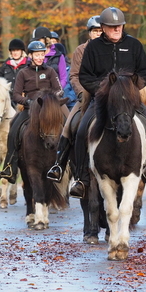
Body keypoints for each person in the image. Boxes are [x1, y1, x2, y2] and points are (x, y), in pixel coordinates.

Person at [69, 7, 146, 199]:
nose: (117, 29)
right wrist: (102, 90)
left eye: (119, 26)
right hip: (102, 100)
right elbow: (85, 76)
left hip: (129, 100)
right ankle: (81, 179)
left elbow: (145, 72)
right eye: (112, 27)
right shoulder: (93, 48)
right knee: (81, 128)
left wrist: (133, 87)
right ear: (103, 27)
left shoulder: (134, 45)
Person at [0, 40, 67, 184]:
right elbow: (15, 95)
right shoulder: (23, 73)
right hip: (29, 109)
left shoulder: (50, 71)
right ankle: (10, 167)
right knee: (14, 130)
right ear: (31, 56)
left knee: (66, 126)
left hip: (48, 109)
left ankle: (64, 164)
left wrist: (52, 99)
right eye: (37, 55)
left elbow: (59, 89)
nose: (40, 57)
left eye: (42, 55)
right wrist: (28, 102)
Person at [46, 15, 102, 182]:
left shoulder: (112, 49)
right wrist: (80, 93)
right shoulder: (80, 51)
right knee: (69, 126)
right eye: (95, 31)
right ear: (89, 33)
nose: (98, 34)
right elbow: (74, 76)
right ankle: (59, 165)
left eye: (100, 31)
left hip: (109, 96)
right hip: (86, 96)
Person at [0, 38, 28, 108]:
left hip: (24, 101)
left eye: (17, 50)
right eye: (13, 50)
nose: (15, 53)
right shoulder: (5, 65)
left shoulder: (28, 64)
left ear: (22, 51)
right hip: (8, 101)